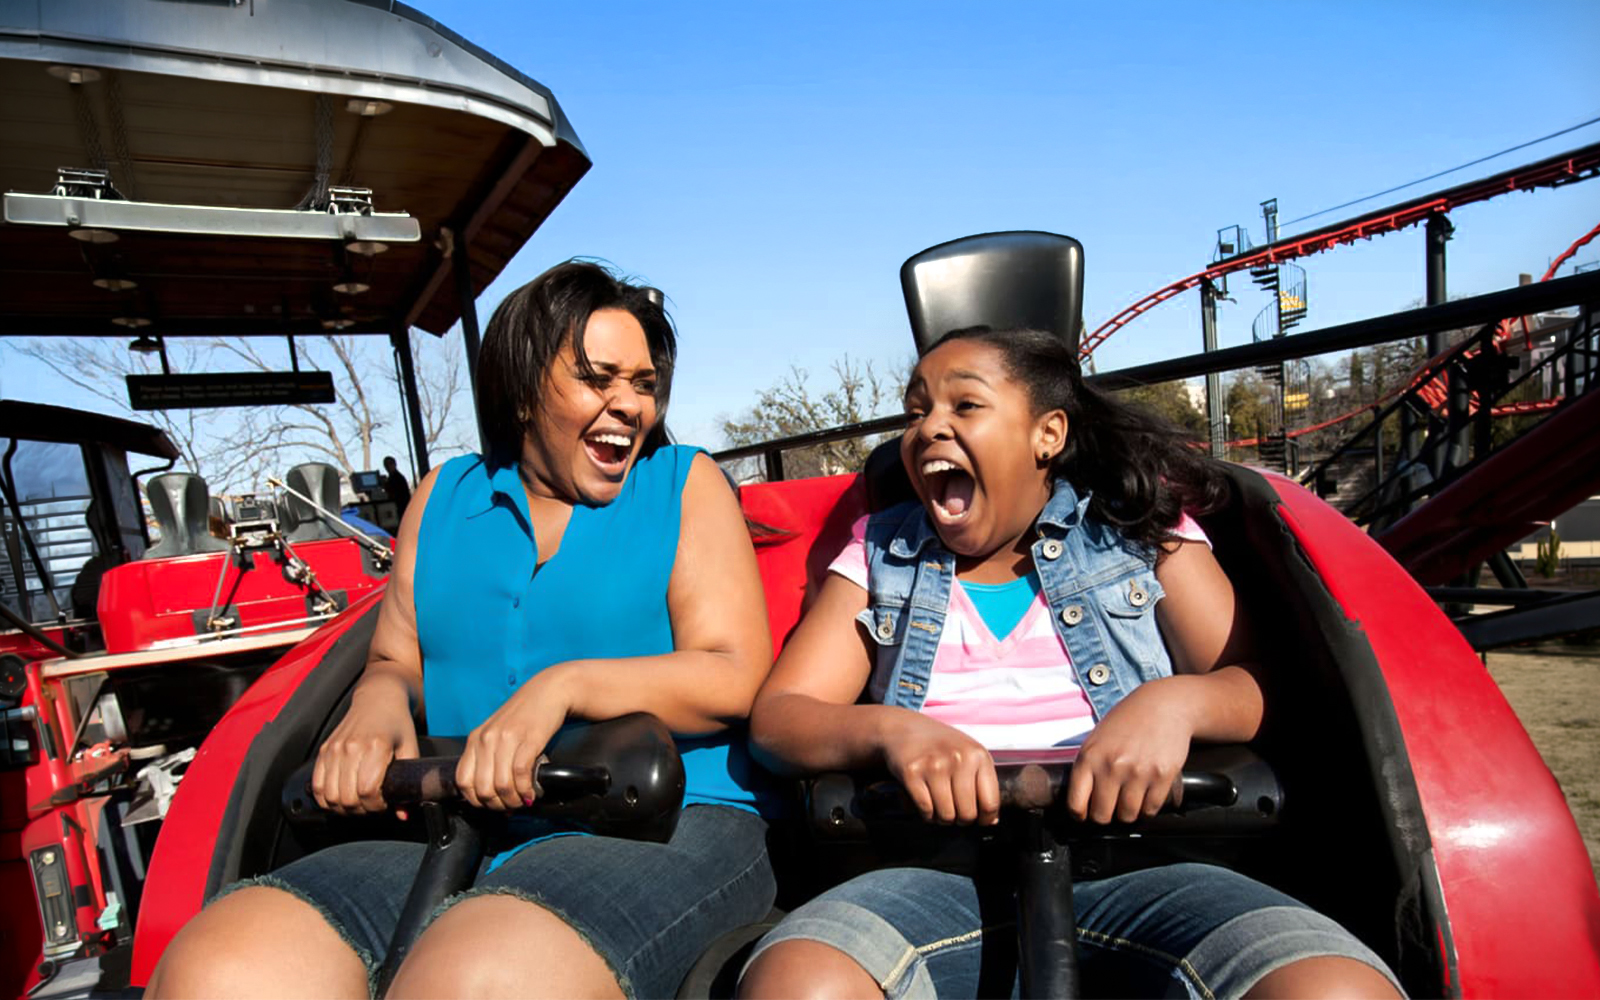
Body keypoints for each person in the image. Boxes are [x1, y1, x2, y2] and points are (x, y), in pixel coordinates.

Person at [148, 261, 778, 1000]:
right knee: (220, 967)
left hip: (669, 822)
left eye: (642, 384)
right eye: (598, 378)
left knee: (477, 978)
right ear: (520, 388)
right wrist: (378, 702)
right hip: (468, 826)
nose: (628, 405)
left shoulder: (681, 484)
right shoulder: (441, 499)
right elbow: (395, 655)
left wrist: (565, 688)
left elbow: (734, 674)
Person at [737, 326, 1404, 1000]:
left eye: (964, 406)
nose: (928, 428)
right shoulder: (882, 552)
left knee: (1330, 987)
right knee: (797, 982)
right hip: (935, 870)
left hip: (1141, 863)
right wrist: (891, 731)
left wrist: (1172, 704)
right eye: (917, 411)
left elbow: (1255, 684)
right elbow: (781, 718)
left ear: (1047, 435)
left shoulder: (1140, 530)